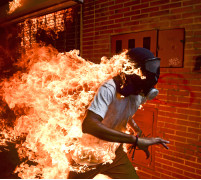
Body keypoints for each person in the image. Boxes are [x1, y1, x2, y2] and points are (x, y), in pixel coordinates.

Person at [67, 48, 170, 179]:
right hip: (89, 157)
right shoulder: (108, 89)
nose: (152, 74)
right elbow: (89, 125)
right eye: (148, 68)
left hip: (114, 154)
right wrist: (136, 140)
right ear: (132, 69)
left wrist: (137, 130)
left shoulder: (139, 93)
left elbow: (123, 112)